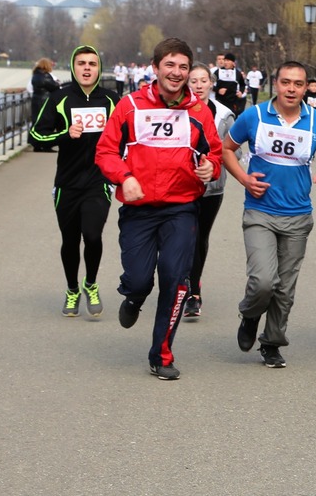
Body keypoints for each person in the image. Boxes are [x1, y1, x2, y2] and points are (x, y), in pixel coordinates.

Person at [94, 38, 222, 380]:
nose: (177, 73)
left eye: (183, 67)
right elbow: (105, 152)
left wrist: (210, 168)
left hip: (181, 208)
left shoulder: (199, 111)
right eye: (170, 65)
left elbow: (214, 153)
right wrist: (124, 177)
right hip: (139, 209)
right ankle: (133, 298)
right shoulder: (130, 106)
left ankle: (161, 354)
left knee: (175, 279)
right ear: (155, 68)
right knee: (138, 280)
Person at [224, 61, 316, 368]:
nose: (291, 89)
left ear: (306, 87)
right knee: (263, 280)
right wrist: (244, 178)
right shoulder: (255, 116)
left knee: (285, 288)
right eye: (286, 82)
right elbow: (226, 150)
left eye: (298, 84)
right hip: (260, 211)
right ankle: (250, 315)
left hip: (298, 217)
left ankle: (272, 343)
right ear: (275, 84)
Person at [30, 45, 119, 317]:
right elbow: (36, 135)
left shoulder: (112, 99)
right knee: (70, 240)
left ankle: (90, 283)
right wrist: (65, 134)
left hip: (99, 181)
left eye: (92, 63)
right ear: (73, 67)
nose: (87, 68)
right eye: (81, 63)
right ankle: (71, 289)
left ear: (99, 68)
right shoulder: (59, 97)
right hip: (67, 183)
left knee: (92, 235)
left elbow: (128, 136)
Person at [183, 63, 244, 319]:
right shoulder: (176, 111)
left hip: (212, 188)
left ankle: (193, 291)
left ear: (211, 83)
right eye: (193, 81)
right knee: (183, 237)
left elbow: (235, 151)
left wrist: (214, 163)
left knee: (199, 237)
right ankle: (186, 288)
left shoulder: (224, 115)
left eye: (202, 81)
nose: (198, 85)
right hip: (182, 185)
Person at [29, 58, 60, 151]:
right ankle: (46, 145)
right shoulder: (45, 76)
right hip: (45, 101)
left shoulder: (35, 75)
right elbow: (54, 86)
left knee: (36, 123)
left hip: (36, 101)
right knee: (46, 123)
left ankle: (36, 145)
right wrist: (57, 83)